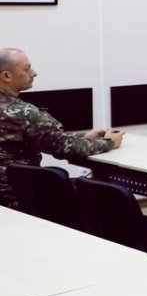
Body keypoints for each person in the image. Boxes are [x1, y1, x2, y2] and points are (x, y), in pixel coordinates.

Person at [0, 48, 122, 209]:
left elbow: (52, 139)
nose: (34, 73)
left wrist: (83, 138)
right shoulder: (23, 113)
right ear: (6, 76)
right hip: (19, 198)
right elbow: (66, 148)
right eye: (27, 68)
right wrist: (109, 142)